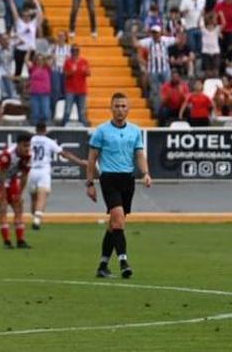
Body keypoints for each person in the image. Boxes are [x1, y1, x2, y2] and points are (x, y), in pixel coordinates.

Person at [86, 93, 152, 279]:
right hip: (109, 179)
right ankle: (124, 262)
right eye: (117, 106)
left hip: (127, 180)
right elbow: (92, 159)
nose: (120, 110)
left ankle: (102, 265)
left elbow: (139, 154)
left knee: (114, 224)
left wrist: (145, 173)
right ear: (111, 108)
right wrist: (90, 183)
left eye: (123, 106)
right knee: (119, 221)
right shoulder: (101, 131)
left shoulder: (134, 131)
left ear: (128, 109)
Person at [28, 122, 88, 229]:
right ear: (45, 130)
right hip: (43, 171)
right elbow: (64, 154)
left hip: (31, 170)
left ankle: (34, 217)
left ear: (35, 130)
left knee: (33, 197)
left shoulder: (30, 141)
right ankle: (37, 219)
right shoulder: (49, 141)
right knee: (43, 195)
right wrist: (80, 162)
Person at [0, 133, 32, 249]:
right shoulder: (8, 154)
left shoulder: (28, 155)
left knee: (18, 206)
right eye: (24, 146)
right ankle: (7, 241)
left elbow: (24, 175)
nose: (27, 148)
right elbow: (1, 172)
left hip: (12, 179)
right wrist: (2, 190)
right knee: (3, 207)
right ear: (18, 145)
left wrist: (20, 193)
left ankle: (20, 240)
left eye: (28, 146)